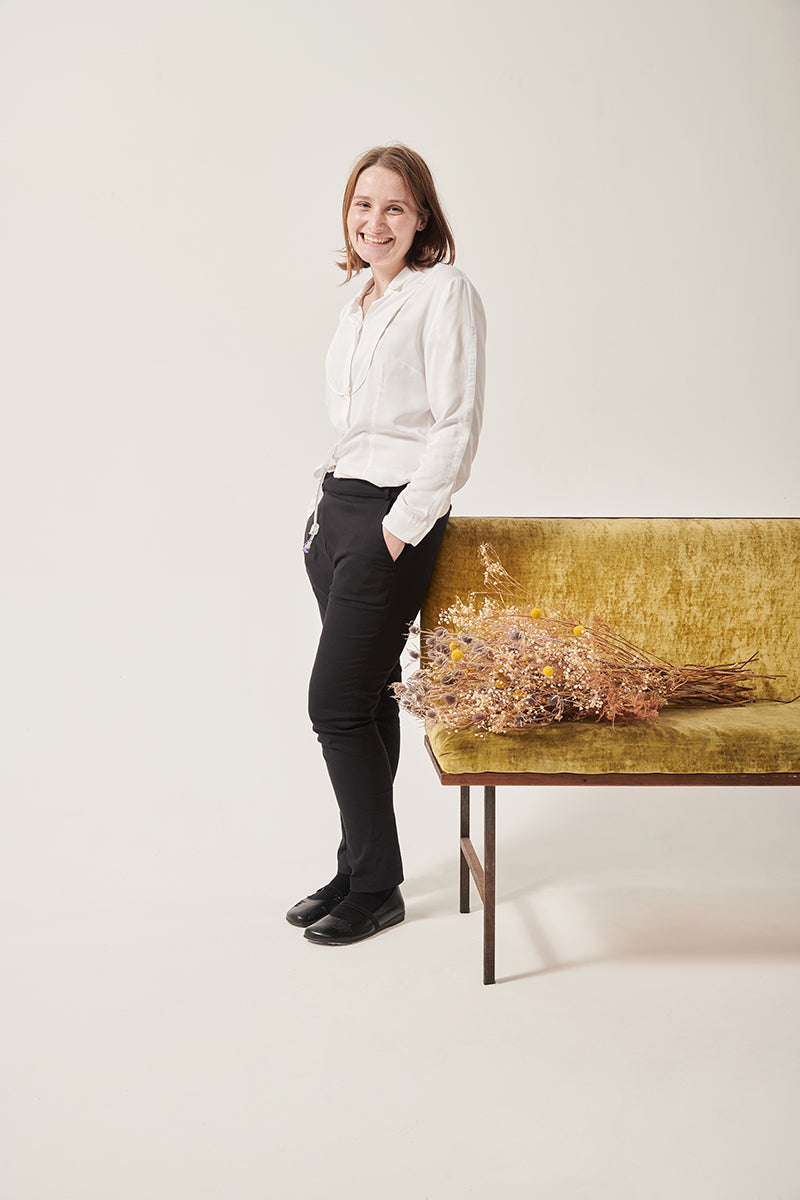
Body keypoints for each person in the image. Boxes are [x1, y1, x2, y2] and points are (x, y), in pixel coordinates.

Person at [286, 144, 486, 946]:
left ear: (422, 217)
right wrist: (321, 515)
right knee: (365, 700)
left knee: (331, 704)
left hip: (388, 521)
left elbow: (456, 428)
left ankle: (378, 887)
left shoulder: (444, 294)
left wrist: (398, 533)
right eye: (363, 205)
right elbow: (358, 428)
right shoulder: (359, 303)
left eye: (395, 207)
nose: (376, 221)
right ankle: (357, 867)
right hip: (335, 516)